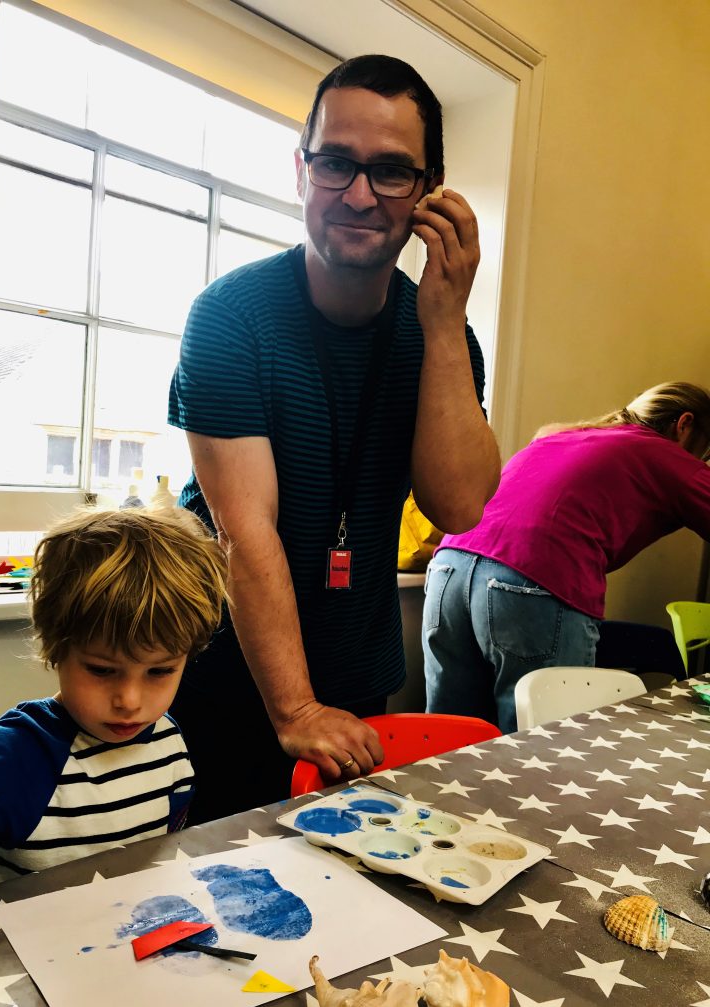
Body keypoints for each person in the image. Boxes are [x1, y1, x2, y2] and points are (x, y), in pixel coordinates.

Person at [168, 54, 500, 822]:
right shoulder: (230, 316)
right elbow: (243, 533)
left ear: (428, 191)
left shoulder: (444, 337)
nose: (357, 194)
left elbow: (457, 504)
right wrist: (295, 710)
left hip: (357, 673)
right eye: (335, 163)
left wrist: (445, 325)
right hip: (227, 673)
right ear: (300, 170)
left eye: (390, 171)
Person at [0, 505, 227, 897]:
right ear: (56, 649)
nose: (130, 701)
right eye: (102, 670)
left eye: (159, 672)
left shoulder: (167, 739)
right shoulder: (21, 755)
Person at [423, 381, 710, 734]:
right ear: (685, 424)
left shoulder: (570, 435)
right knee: (545, 746)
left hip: (449, 567)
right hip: (532, 578)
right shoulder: (666, 455)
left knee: (450, 733)